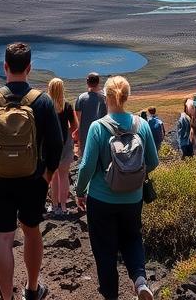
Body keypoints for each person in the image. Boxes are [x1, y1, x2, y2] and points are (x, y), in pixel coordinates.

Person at [0, 42, 63, 300]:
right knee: (32, 231)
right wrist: (48, 175)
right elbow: (56, 144)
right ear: (29, 68)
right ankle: (32, 289)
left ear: (5, 66)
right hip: (34, 180)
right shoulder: (42, 102)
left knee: (3, 238)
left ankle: (7, 297)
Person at [75, 75, 158, 300]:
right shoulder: (141, 124)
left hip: (101, 200)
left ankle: (111, 295)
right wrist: (134, 175)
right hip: (133, 199)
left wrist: (80, 191)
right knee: (132, 238)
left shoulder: (97, 127)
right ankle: (140, 280)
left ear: (106, 98)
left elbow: (87, 166)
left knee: (104, 250)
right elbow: (153, 161)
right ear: (127, 96)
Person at [47, 77, 77, 215]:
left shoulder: (45, 105)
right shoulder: (67, 106)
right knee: (64, 176)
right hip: (65, 145)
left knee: (53, 177)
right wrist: (68, 134)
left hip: (50, 145)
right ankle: (64, 207)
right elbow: (75, 126)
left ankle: (54, 207)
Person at [74, 72, 107, 158]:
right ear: (98, 83)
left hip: (85, 135)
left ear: (87, 83)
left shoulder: (81, 98)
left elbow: (78, 119)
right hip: (100, 134)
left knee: (85, 158)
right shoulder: (103, 99)